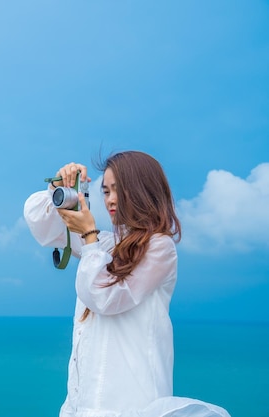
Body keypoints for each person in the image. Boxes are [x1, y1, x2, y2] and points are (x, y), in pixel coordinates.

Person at [23, 151, 230, 417]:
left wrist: (88, 236)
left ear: (142, 191)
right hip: (84, 406)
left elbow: (104, 297)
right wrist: (58, 186)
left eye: (117, 190)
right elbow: (43, 227)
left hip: (131, 405)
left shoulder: (159, 247)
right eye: (105, 191)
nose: (110, 199)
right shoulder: (104, 245)